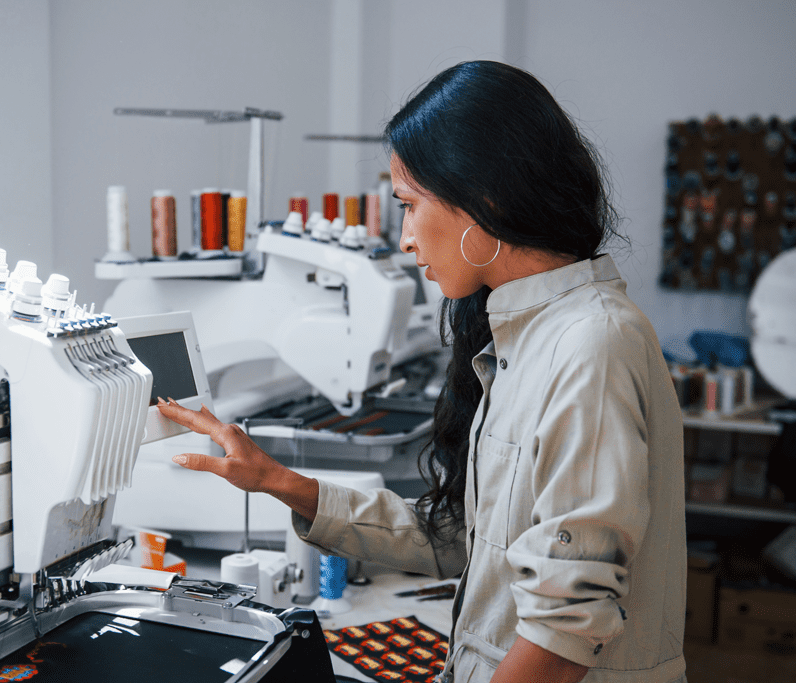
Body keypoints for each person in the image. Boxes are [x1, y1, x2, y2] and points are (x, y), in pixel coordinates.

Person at [157, 60, 686, 683]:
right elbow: (462, 539)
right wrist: (276, 479)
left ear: (482, 198)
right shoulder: (525, 340)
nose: (406, 239)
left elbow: (564, 629)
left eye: (409, 206)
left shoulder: (593, 342)